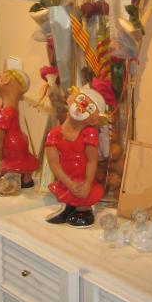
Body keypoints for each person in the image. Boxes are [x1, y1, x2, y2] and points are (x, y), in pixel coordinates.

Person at [44, 85, 106, 227]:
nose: (82, 106)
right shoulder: (54, 134)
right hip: (66, 180)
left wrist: (87, 184)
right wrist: (69, 183)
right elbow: (54, 164)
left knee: (83, 198)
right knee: (70, 194)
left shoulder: (89, 134)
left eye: (90, 108)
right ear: (70, 99)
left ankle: (84, 211)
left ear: (94, 119)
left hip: (83, 181)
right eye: (80, 99)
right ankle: (70, 207)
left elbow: (92, 161)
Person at [0, 69, 39, 188]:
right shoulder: (10, 107)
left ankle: (20, 177)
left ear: (6, 80)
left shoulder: (6, 110)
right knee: (20, 159)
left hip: (12, 142)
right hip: (18, 138)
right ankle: (25, 178)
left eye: (0, 79)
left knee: (13, 160)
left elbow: (0, 134)